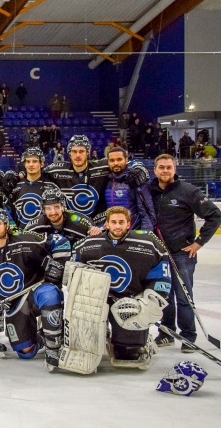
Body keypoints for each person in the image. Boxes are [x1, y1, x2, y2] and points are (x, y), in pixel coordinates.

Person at [70, 206, 171, 369]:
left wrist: (148, 302)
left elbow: (161, 274)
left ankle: (141, 340)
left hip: (129, 303)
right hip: (97, 302)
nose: (117, 226)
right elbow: (74, 272)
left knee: (127, 355)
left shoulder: (148, 244)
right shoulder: (87, 244)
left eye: (121, 222)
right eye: (114, 222)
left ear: (128, 224)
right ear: (107, 224)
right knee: (85, 346)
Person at [0, 209, 70, 360]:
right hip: (15, 303)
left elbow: (60, 241)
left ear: (6, 225)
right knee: (26, 352)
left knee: (49, 295)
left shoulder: (26, 239)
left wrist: (59, 264)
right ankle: (46, 334)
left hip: (36, 290)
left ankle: (53, 349)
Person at [148, 154, 221, 350]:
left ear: (175, 169)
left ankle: (188, 335)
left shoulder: (188, 191)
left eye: (168, 167)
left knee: (183, 296)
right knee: (164, 295)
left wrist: (198, 243)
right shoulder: (149, 191)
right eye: (161, 167)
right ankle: (167, 333)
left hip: (182, 253)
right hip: (158, 254)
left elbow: (215, 215)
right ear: (155, 170)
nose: (165, 170)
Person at [42, 135, 109, 223]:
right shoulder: (56, 170)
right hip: (72, 226)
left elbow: (121, 164)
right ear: (69, 153)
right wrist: (24, 173)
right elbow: (37, 172)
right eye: (74, 151)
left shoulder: (102, 167)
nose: (77, 155)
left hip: (98, 225)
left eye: (81, 151)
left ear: (87, 152)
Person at [99, 147, 154, 232]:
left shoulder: (136, 180)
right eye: (112, 160)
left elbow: (146, 213)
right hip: (113, 234)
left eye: (119, 159)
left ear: (126, 160)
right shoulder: (105, 181)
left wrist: (145, 234)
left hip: (133, 233)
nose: (116, 163)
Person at [3, 147, 59, 228]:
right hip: (21, 234)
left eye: (35, 161)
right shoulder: (15, 187)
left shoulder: (51, 187)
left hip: (44, 233)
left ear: (42, 164)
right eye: (28, 161)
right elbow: (8, 211)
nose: (31, 165)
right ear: (24, 164)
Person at [23, 188, 93, 245]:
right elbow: (22, 237)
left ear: (63, 207)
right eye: (48, 208)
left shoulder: (78, 221)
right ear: (44, 210)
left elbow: (93, 230)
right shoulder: (35, 225)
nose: (53, 212)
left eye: (56, 207)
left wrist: (94, 230)